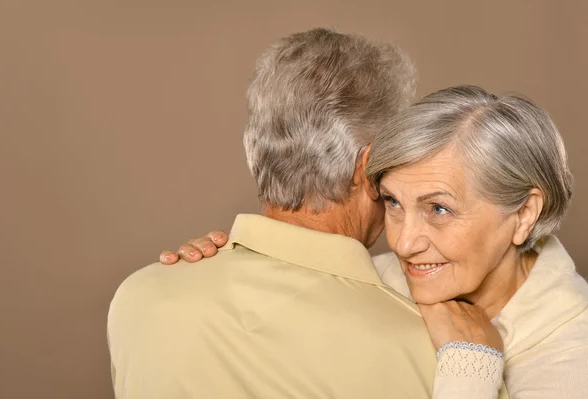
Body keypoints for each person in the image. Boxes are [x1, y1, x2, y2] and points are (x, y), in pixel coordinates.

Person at [109, 29, 510, 399]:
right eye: (400, 158)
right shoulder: (441, 355)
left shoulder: (138, 299)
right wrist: (475, 367)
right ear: (366, 169)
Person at [168, 85, 588, 398]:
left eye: (438, 209)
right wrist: (230, 262)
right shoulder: (376, 279)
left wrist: (471, 368)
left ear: (524, 214)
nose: (403, 243)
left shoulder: (574, 359)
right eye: (392, 202)